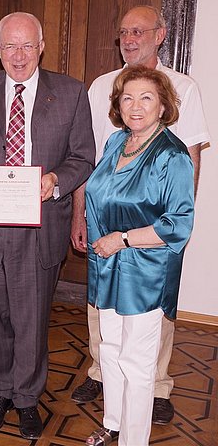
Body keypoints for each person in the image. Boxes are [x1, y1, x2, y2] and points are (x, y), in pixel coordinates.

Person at [0, 12, 95, 440]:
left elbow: (83, 156)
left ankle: (27, 400)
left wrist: (56, 182)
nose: (19, 55)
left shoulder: (69, 93)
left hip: (39, 225)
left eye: (27, 45)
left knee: (31, 320)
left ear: (41, 46)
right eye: (10, 46)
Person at [71, 5, 210, 424]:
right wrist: (81, 215)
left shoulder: (184, 85)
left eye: (139, 31)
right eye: (123, 32)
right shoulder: (99, 88)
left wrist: (172, 224)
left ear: (161, 34)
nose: (129, 39)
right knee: (106, 322)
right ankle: (102, 377)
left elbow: (190, 156)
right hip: (105, 230)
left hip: (150, 234)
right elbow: (90, 159)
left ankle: (156, 386)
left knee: (148, 328)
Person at [84, 65, 194, 446]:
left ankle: (134, 440)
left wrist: (123, 240)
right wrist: (103, 243)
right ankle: (112, 422)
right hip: (107, 263)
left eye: (146, 97)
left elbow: (178, 223)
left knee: (138, 361)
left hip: (146, 270)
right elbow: (99, 195)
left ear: (163, 106)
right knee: (110, 350)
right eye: (127, 97)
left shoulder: (173, 156)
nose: (135, 106)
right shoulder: (117, 141)